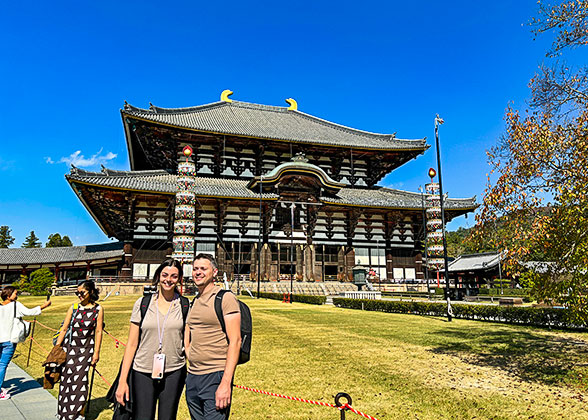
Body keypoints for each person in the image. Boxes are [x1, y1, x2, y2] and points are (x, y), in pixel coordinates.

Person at [115, 259, 187, 420]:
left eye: (174, 276)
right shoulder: (143, 304)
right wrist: (122, 381)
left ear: (179, 279)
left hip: (174, 369)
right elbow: (132, 344)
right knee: (143, 416)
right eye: (165, 275)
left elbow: (188, 343)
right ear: (158, 276)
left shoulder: (184, 305)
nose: (168, 279)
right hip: (143, 369)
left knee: (168, 417)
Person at [185, 254, 241, 420]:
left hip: (215, 375)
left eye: (203, 268)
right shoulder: (194, 301)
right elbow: (190, 328)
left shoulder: (225, 298)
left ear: (214, 272)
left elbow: (235, 341)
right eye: (195, 269)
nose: (198, 272)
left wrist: (225, 382)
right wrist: (188, 351)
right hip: (193, 376)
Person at [55, 280, 104, 420]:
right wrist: (56, 348)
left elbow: (98, 332)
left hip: (85, 350)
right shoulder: (74, 307)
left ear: (91, 292)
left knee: (80, 382)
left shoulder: (98, 309)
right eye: (77, 293)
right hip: (69, 349)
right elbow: (64, 329)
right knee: (66, 382)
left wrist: (96, 353)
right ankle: (63, 414)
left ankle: (76, 415)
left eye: (82, 292)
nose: (79, 295)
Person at [0, 286, 51, 400]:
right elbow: (30, 312)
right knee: (2, 365)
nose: (17, 295)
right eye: (15, 293)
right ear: (9, 295)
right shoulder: (15, 305)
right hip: (9, 340)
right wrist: (44, 306)